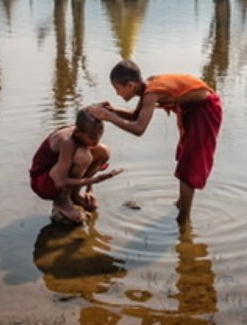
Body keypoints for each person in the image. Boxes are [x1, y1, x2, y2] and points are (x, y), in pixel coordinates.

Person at [89, 60, 223, 224]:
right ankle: (181, 204)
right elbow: (136, 116)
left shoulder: (151, 93)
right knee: (184, 156)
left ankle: (184, 218)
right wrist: (113, 111)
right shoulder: (147, 87)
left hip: (205, 109)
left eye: (118, 89)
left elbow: (139, 129)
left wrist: (109, 117)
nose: (117, 94)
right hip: (191, 109)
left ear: (130, 85)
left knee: (190, 163)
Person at [29, 109, 123, 225]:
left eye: (100, 135)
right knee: (83, 156)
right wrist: (96, 179)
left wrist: (89, 190)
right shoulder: (67, 141)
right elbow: (61, 181)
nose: (96, 140)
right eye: (92, 137)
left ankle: (74, 194)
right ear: (78, 133)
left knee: (103, 151)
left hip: (58, 172)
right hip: (43, 183)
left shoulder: (84, 131)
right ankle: (62, 200)